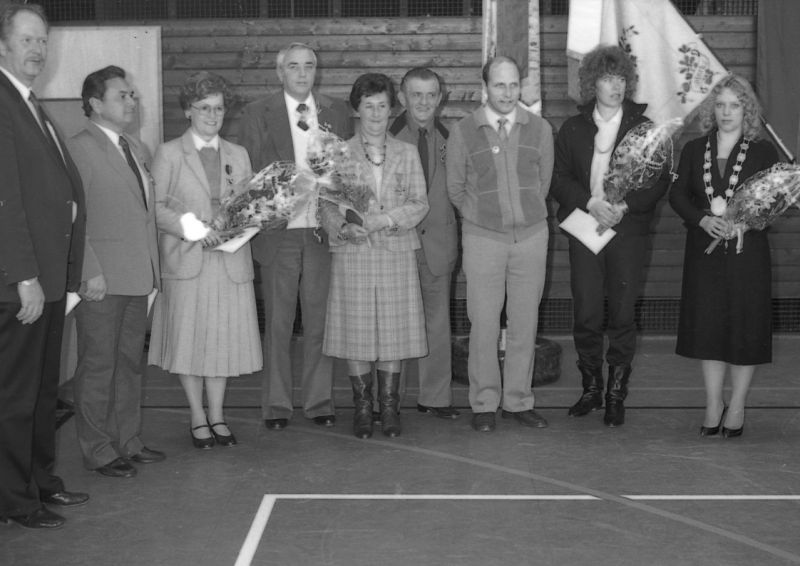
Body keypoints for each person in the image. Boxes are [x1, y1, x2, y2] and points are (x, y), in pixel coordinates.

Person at [0, 3, 88, 529]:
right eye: (28, 39)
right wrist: (23, 276)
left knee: (40, 393)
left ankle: (39, 480)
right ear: (2, 44)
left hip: (50, 279)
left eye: (43, 40)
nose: (38, 49)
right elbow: (5, 198)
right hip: (23, 282)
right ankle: (14, 498)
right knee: (16, 395)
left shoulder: (29, 103)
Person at [551, 45, 670, 427]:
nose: (615, 86)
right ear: (592, 83)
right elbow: (558, 179)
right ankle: (591, 388)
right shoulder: (572, 128)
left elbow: (659, 179)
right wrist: (590, 203)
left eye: (620, 78)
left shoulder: (644, 128)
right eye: (606, 78)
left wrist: (626, 207)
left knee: (622, 312)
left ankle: (616, 393)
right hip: (585, 228)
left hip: (627, 232)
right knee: (586, 311)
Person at [237, 42, 353, 431]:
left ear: (317, 71)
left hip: (321, 231)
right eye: (293, 66)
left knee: (320, 323)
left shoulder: (337, 111)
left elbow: (345, 171)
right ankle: (276, 404)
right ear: (280, 72)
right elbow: (252, 173)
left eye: (308, 66)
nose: (302, 73)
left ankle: (319, 401)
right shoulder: (257, 113)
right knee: (279, 324)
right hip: (279, 232)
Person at [148, 72, 262, 449]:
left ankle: (218, 414)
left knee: (221, 342)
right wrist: (194, 229)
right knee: (189, 341)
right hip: (187, 260)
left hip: (230, 262)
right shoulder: (168, 153)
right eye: (204, 108)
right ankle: (197, 415)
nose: (213, 115)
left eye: (219, 108)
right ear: (188, 110)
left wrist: (238, 224)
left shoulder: (239, 154)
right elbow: (155, 207)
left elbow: (251, 208)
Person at [319, 73, 429, 439]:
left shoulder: (407, 152)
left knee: (393, 333)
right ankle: (364, 409)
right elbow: (327, 206)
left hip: (395, 250)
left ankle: (390, 408)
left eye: (383, 105)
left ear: (392, 108)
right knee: (358, 331)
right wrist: (342, 227)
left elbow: (419, 204)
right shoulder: (339, 154)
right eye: (369, 106)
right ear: (357, 109)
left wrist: (386, 219)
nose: (377, 113)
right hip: (354, 252)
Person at [446, 56, 553, 433]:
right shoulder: (463, 131)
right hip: (483, 240)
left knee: (525, 323)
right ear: (485, 87)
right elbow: (456, 188)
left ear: (520, 86)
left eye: (513, 85)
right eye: (499, 85)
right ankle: (485, 402)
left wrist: (522, 216)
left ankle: (518, 401)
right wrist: (484, 217)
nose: (507, 93)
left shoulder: (540, 129)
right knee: (484, 324)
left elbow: (542, 184)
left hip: (531, 238)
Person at [67, 65, 164, 478]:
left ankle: (128, 440)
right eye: (121, 96)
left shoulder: (135, 147)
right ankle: (98, 449)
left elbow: (144, 212)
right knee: (97, 366)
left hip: (137, 275)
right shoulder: (79, 148)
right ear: (95, 103)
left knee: (128, 364)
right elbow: (73, 217)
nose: (131, 101)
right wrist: (88, 270)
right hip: (102, 280)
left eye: (132, 94)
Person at [669, 75, 778, 438]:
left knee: (745, 327)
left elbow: (771, 202)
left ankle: (738, 404)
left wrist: (747, 222)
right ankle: (713, 403)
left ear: (747, 110)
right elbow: (677, 195)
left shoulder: (762, 152)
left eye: (735, 105)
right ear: (711, 110)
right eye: (720, 105)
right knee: (709, 329)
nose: (727, 112)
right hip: (705, 254)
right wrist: (701, 220)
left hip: (748, 256)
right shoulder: (693, 148)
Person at [389, 67, 460, 419]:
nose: (423, 102)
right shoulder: (387, 138)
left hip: (438, 244)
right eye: (416, 94)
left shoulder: (453, 138)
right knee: (394, 324)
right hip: (396, 245)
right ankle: (389, 397)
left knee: (437, 322)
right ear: (402, 97)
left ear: (440, 98)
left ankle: (435, 397)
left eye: (431, 95)